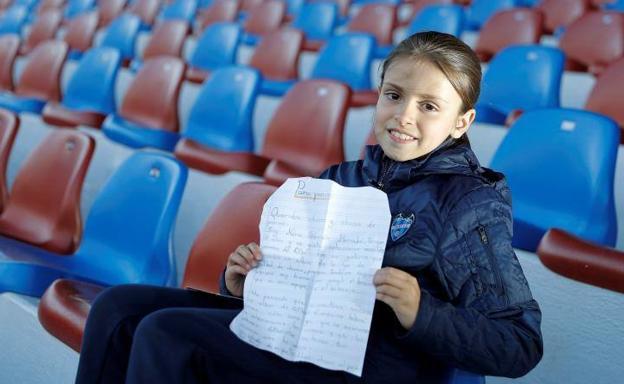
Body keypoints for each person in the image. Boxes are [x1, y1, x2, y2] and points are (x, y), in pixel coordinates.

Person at [75, 31, 543, 384]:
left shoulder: (467, 201)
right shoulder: (341, 179)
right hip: (299, 338)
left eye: (429, 107)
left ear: (462, 122)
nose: (404, 116)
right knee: (118, 310)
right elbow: (292, 280)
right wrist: (244, 282)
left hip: (373, 364)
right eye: (394, 96)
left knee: (168, 335)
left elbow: (519, 344)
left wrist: (420, 310)